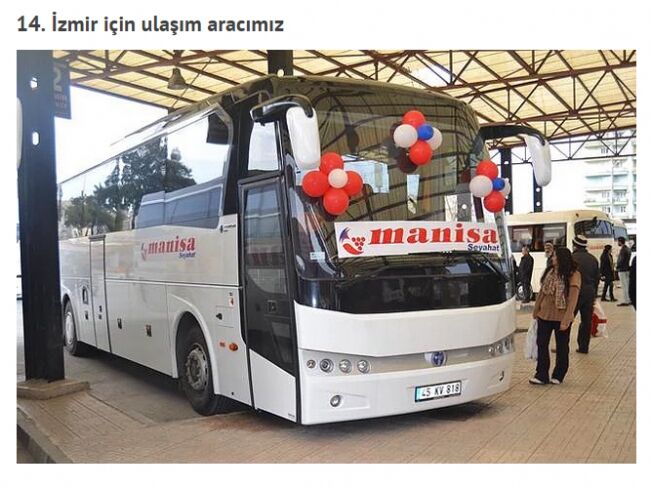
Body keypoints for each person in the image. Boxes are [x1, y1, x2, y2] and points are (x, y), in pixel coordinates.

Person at [530, 247, 581, 385]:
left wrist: (567, 318)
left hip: (561, 316)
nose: (552, 258)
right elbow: (542, 292)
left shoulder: (573, 275)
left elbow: (573, 299)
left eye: (555, 256)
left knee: (562, 346)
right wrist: (536, 309)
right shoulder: (550, 272)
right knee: (541, 343)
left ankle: (559, 374)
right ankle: (541, 374)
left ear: (561, 258)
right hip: (544, 314)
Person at [572, 235, 599, 354]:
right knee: (586, 321)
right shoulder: (593, 259)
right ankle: (584, 347)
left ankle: (562, 346)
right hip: (589, 294)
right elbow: (597, 278)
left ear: (574, 245)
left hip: (574, 293)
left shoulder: (572, 258)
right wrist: (594, 294)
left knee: (568, 319)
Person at [616, 236, 632, 306]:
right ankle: (629, 299)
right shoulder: (628, 249)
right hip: (627, 269)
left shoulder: (623, 250)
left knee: (624, 286)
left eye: (618, 241)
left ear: (620, 241)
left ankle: (626, 301)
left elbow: (621, 260)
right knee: (627, 285)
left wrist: (617, 266)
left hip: (622, 270)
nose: (618, 243)